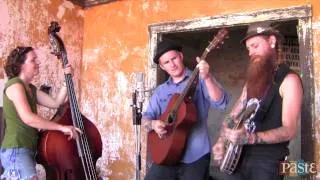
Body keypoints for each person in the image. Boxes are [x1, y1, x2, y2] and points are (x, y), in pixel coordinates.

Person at [212, 22, 303, 180]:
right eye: (248, 49)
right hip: (237, 157)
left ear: (272, 41)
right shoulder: (252, 81)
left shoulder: (289, 80)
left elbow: (290, 130)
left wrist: (250, 138)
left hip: (268, 164)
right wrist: (222, 139)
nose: (250, 53)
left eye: (255, 46)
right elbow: (232, 116)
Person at [142, 40, 228, 180]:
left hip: (196, 155)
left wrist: (207, 77)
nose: (172, 64)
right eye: (167, 62)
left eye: (174, 58)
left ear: (181, 56)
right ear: (162, 67)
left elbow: (221, 102)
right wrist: (152, 124)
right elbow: (146, 118)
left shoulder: (200, 80)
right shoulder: (160, 91)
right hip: (166, 154)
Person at [0, 46, 81, 179]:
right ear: (21, 65)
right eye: (33, 60)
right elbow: (28, 118)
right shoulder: (15, 85)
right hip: (17, 149)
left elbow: (55, 103)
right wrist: (62, 128)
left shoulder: (30, 88)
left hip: (27, 150)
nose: (38, 63)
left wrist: (67, 79)